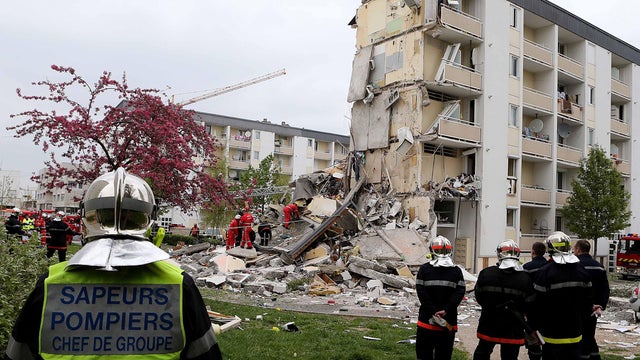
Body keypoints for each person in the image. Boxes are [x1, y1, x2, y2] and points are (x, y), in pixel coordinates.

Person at [5, 167, 222, 360]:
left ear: (87, 216)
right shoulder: (180, 284)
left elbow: (18, 353)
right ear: (148, 217)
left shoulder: (50, 284)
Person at [530, 231, 592, 360]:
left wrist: (533, 327)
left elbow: (536, 304)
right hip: (575, 332)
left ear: (550, 248)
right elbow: (587, 302)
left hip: (551, 334)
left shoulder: (545, 272)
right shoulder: (581, 270)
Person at [473, 239, 533, 360]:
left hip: (489, 322)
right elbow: (529, 304)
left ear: (499, 254)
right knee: (510, 356)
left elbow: (479, 297)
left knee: (482, 353)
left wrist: (489, 306)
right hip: (513, 326)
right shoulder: (525, 278)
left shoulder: (486, 273)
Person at [415, 235, 466, 360]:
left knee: (424, 354)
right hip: (448, 321)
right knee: (444, 355)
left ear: (432, 250)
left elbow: (422, 293)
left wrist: (433, 311)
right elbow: (460, 292)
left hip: (427, 320)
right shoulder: (457, 271)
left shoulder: (424, 270)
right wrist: (446, 309)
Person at [574, 239, 610, 360]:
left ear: (578, 249)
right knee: (589, 335)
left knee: (578, 337)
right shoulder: (599, 267)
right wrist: (600, 305)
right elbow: (605, 289)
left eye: (574, 249)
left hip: (577, 308)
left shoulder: (574, 266)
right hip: (593, 310)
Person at [522, 241, 548, 360]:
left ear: (533, 252)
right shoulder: (549, 266)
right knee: (546, 334)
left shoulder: (527, 268)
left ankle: (534, 356)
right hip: (546, 307)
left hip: (531, 308)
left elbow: (524, 287)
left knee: (532, 336)